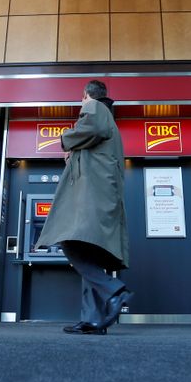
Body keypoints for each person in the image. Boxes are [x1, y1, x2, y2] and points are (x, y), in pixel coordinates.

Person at [36, 80, 132, 335]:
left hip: (92, 194)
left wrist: (65, 140)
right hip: (99, 193)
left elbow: (92, 126)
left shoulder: (95, 107)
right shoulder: (108, 120)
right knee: (88, 253)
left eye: (82, 100)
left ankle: (113, 289)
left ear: (86, 95)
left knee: (69, 241)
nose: (82, 105)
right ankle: (93, 319)